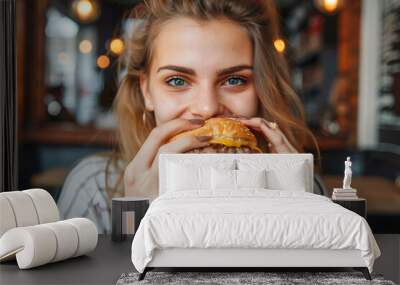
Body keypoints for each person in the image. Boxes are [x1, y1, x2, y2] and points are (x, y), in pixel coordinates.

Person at [57, 0, 319, 233]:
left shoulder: (298, 184)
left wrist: (297, 213)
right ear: (146, 90)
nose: (207, 108)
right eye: (178, 80)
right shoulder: (96, 190)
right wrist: (136, 213)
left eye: (235, 79)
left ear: (262, 89)